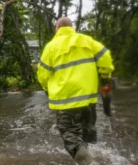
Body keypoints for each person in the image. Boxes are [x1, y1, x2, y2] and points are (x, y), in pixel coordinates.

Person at [37, 17, 114, 165]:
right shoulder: (87, 41)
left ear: (57, 28)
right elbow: (105, 57)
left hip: (66, 101)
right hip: (89, 100)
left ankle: (87, 162)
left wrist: (46, 88)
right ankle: (96, 156)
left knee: (70, 134)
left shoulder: (51, 47)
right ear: (71, 27)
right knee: (87, 133)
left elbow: (42, 75)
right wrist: (104, 78)